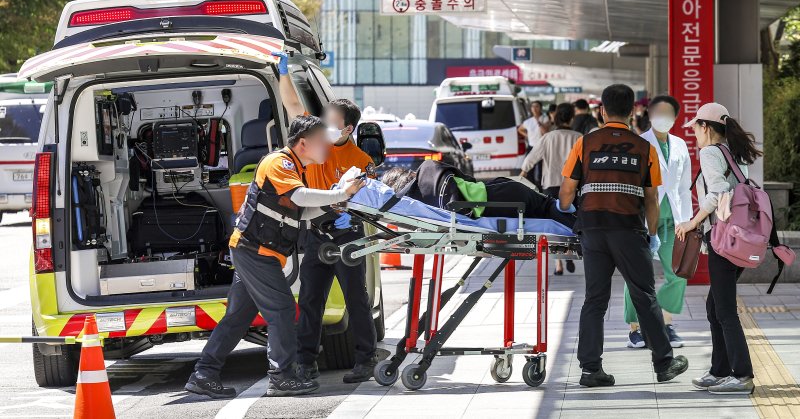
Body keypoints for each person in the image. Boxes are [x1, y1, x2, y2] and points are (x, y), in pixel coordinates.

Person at [185, 115, 366, 399]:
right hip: (254, 251)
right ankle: (281, 376)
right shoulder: (279, 162)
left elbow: (300, 210)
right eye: (321, 142)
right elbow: (299, 197)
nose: (327, 148)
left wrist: (336, 205)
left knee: (238, 317)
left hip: (255, 251)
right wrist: (339, 192)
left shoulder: (295, 168)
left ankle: (204, 374)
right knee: (282, 310)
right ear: (304, 144)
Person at [558, 84, 688, 388]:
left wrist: (567, 207)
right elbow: (652, 198)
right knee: (644, 295)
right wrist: (652, 235)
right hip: (629, 230)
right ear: (632, 113)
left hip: (592, 230)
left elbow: (566, 192)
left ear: (602, 111)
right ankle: (664, 364)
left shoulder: (585, 144)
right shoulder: (645, 149)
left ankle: (591, 370)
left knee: (595, 299)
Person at [675, 103, 761, 395]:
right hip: (739, 238)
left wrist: (691, 223)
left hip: (723, 241)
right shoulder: (733, 153)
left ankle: (742, 375)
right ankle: (719, 370)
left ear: (707, 128)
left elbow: (717, 193)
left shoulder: (711, 152)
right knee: (715, 306)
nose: (694, 134)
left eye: (696, 128)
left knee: (724, 309)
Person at [296, 99, 379, 384]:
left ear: (347, 128)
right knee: (310, 299)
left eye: (331, 121)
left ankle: (366, 359)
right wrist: (284, 73)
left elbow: (369, 200)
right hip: (317, 230)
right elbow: (292, 103)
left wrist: (351, 213)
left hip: (347, 233)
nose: (324, 125)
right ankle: (305, 363)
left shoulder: (361, 161)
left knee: (356, 297)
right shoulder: (319, 144)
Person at [623, 95, 692, 349]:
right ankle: (635, 328)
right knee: (637, 275)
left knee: (678, 274)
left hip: (674, 219)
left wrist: (688, 221)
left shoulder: (681, 145)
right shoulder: (639, 143)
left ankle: (664, 322)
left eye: (668, 112)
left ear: (675, 117)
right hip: (643, 219)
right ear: (650, 115)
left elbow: (685, 187)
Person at [380, 160, 576, 229]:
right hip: (503, 195)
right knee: (547, 206)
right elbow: (466, 178)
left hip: (499, 200)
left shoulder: (418, 206)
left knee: (545, 208)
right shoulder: (429, 168)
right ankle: (582, 230)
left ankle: (581, 230)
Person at [520, 103, 582, 275]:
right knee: (571, 221)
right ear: (572, 118)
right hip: (573, 187)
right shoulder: (579, 137)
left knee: (554, 224)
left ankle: (559, 264)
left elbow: (531, 159)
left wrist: (522, 174)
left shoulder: (548, 137)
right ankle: (569, 251)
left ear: (554, 118)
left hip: (551, 187)